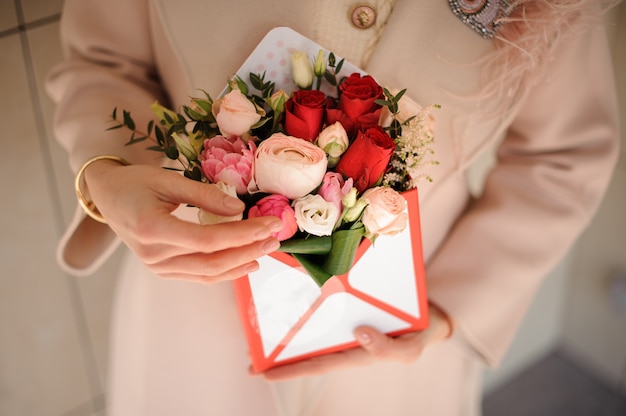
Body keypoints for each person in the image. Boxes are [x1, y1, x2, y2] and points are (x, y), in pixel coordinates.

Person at [47, 0, 620, 415]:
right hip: (192, 284)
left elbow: (561, 156)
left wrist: (450, 307)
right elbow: (104, 64)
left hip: (405, 322)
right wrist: (106, 174)